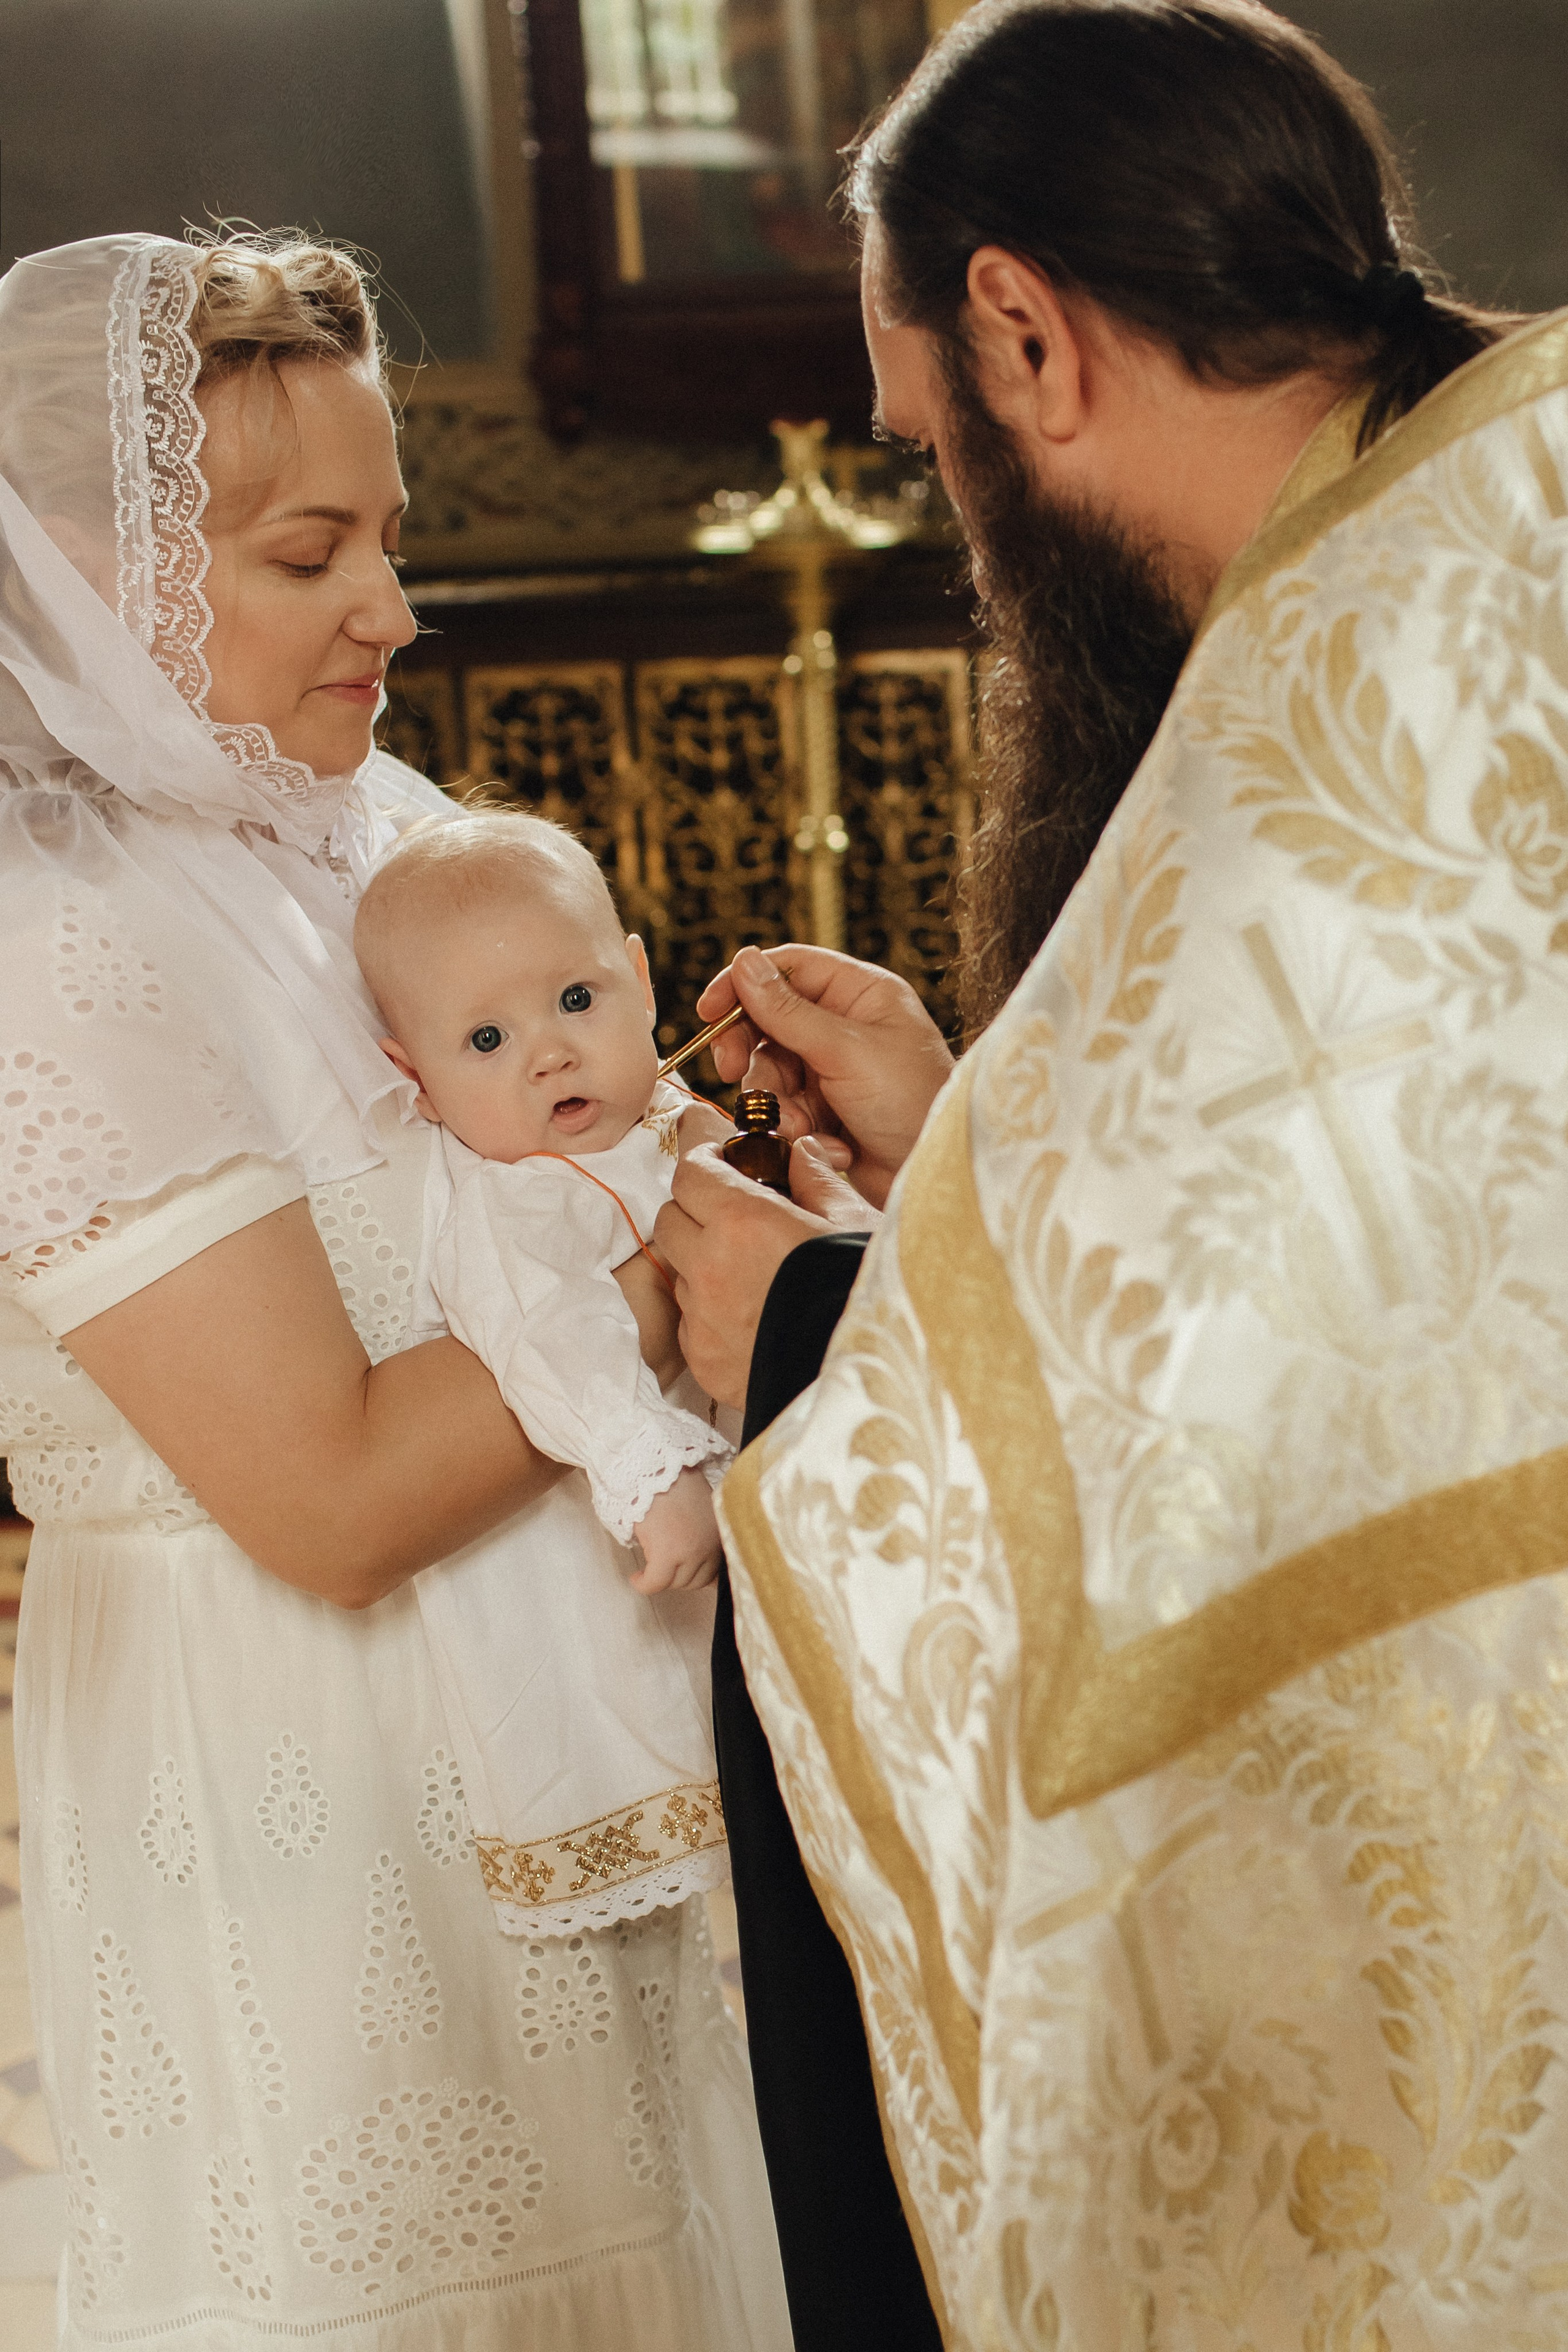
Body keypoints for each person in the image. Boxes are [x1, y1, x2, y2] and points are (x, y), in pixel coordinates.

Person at [658, 0, 1568, 2341]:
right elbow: (1414, 1232)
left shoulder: (1330, 693)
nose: (965, 537)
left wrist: (799, 1324)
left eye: (929, 448)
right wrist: (990, 1135)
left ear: (1023, 336)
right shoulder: (1499, 509)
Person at [0, 230, 791, 2349]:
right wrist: (684, 1251)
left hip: (542, 1727)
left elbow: (587, 1145)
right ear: (80, 563)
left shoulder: (374, 830)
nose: (392, 609)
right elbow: (334, 1499)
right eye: (309, 553)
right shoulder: (49, 940)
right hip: (293, 1769)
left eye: (391, 538)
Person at [353, 813, 736, 1939]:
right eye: (486, 1040)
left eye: (577, 1000)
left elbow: (735, 1172)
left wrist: (750, 1130)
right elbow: (551, 1338)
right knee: (639, 1711)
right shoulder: (513, 1204)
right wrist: (648, 1470)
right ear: (417, 1080)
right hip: (600, 1535)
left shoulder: (660, 1121)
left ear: (639, 981)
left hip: (737, 1506)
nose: (550, 1054)